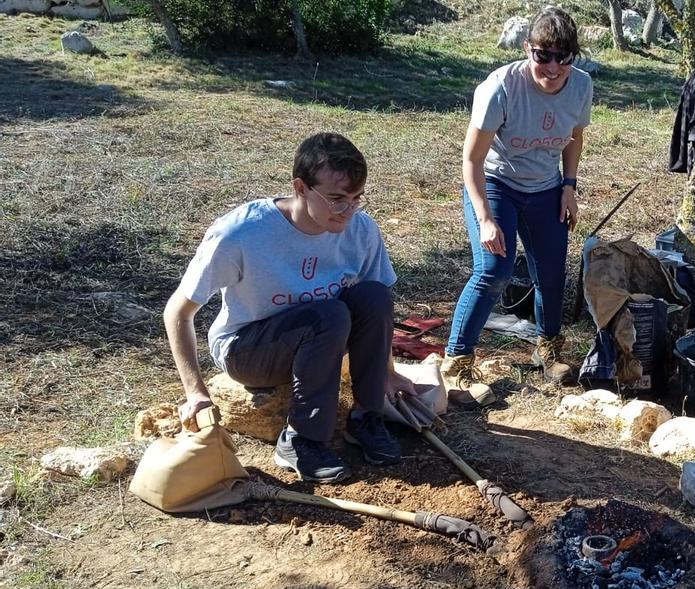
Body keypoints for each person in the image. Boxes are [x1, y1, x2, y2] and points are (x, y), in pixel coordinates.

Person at [163, 132, 414, 484]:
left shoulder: (360, 228)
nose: (348, 211)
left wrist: (386, 371)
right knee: (329, 314)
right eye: (336, 198)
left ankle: (365, 418)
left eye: (357, 198)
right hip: (248, 350)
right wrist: (196, 393)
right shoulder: (242, 233)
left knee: (373, 296)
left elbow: (377, 312)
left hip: (320, 338)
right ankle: (301, 438)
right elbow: (178, 312)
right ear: (300, 187)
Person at [441, 5, 593, 407]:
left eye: (564, 57)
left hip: (546, 188)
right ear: (528, 48)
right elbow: (471, 161)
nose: (554, 66)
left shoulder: (580, 86)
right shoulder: (500, 88)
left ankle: (549, 348)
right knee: (494, 270)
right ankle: (456, 363)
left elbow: (574, 137)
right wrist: (486, 218)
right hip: (496, 184)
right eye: (544, 55)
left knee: (551, 271)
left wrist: (569, 186)